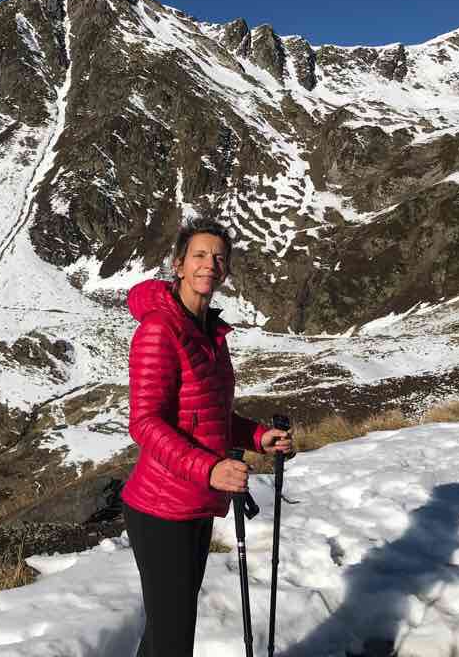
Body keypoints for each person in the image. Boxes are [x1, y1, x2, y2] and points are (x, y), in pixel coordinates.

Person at [121, 216, 294, 657]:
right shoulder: (160, 330)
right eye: (199, 255)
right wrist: (211, 467)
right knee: (173, 636)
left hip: (193, 499)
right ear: (179, 265)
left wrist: (259, 437)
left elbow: (209, 414)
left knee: (168, 631)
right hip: (161, 508)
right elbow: (144, 422)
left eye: (218, 258)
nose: (209, 264)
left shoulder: (208, 333)